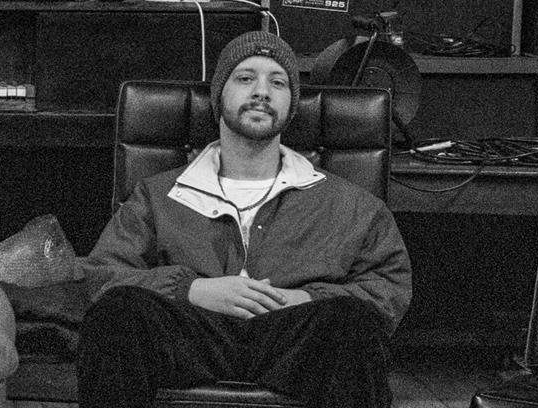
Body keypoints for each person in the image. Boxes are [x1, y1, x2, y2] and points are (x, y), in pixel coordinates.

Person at [76, 30, 412, 408]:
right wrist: (190, 290)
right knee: (117, 314)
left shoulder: (353, 205)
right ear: (220, 94)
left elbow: (387, 289)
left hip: (297, 340)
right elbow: (103, 276)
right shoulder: (157, 196)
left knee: (353, 324)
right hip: (191, 333)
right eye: (246, 77)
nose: (262, 92)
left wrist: (304, 298)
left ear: (292, 104)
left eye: (278, 82)